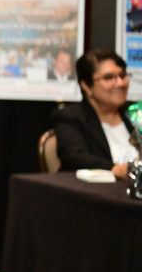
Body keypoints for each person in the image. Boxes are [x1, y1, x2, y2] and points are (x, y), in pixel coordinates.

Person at [52, 49, 138, 178]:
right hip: (94, 193)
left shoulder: (134, 112)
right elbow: (76, 157)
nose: (120, 83)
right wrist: (115, 170)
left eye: (122, 75)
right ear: (86, 86)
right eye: (109, 78)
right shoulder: (71, 117)